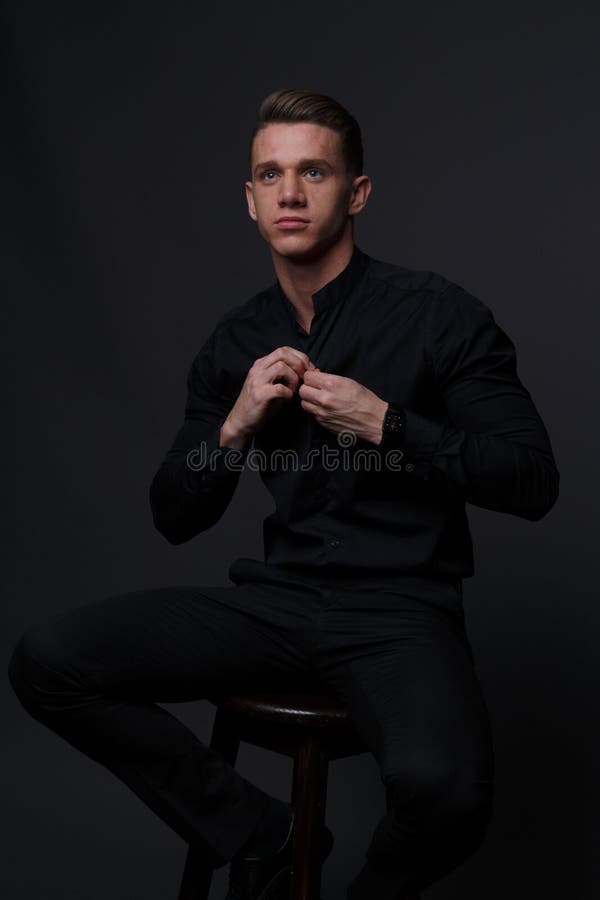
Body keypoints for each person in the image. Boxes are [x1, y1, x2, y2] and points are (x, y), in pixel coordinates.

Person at [8, 88, 559, 900]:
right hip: (278, 605)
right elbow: (174, 516)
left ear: (357, 193)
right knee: (48, 662)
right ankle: (262, 835)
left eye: (313, 172)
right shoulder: (234, 342)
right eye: (270, 175)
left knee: (448, 794)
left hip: (399, 611)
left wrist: (389, 425)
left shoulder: (440, 316)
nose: (291, 193)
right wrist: (230, 430)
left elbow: (532, 481)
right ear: (250, 200)